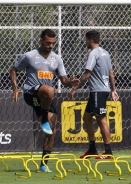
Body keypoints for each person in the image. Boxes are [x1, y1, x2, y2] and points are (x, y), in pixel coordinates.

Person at [10, 29, 80, 172]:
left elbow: (64, 79)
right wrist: (15, 88)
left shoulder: (57, 59)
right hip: (31, 93)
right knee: (49, 89)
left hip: (45, 99)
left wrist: (70, 83)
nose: (50, 46)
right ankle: (42, 121)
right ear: (41, 40)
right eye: (48, 43)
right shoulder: (29, 56)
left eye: (53, 43)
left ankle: (43, 165)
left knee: (52, 131)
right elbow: (13, 69)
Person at [69, 30, 119, 159]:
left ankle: (108, 152)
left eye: (86, 40)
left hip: (98, 91)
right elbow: (111, 73)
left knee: (101, 120)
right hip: (101, 90)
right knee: (86, 118)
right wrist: (113, 90)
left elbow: (87, 74)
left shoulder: (93, 54)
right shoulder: (106, 53)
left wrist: (75, 87)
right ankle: (92, 149)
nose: (85, 42)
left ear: (90, 39)